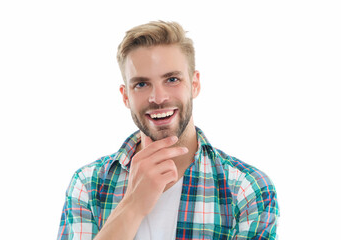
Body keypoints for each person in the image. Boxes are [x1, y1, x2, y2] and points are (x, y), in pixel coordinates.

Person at [57, 20, 279, 240]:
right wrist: (133, 205)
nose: (158, 98)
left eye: (172, 79)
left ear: (194, 84)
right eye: (142, 84)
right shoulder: (87, 185)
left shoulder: (247, 188)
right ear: (126, 96)